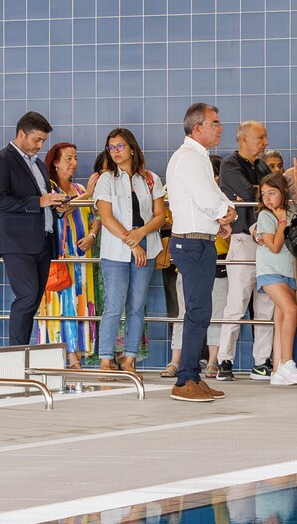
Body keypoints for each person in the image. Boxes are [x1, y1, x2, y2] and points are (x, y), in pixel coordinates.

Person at [164, 103, 233, 403]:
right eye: (214, 123)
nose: (220, 127)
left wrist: (221, 217)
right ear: (197, 127)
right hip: (191, 244)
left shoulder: (199, 157)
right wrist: (224, 213)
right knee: (196, 311)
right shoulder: (188, 158)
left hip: (200, 241)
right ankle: (184, 380)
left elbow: (215, 194)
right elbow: (208, 199)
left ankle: (192, 375)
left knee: (201, 312)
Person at [0, 111, 58, 349]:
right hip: (16, 242)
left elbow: (43, 201)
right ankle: (15, 352)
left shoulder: (39, 165)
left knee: (34, 299)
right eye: (37, 139)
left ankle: (22, 350)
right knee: (27, 295)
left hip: (43, 240)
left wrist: (57, 206)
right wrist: (39, 202)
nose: (40, 145)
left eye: (43, 141)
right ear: (21, 134)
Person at [90, 128, 160, 373]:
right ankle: (106, 360)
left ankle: (129, 358)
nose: (115, 151)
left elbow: (160, 216)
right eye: (111, 148)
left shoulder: (150, 178)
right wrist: (132, 242)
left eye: (120, 146)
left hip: (146, 247)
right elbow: (106, 217)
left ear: (131, 148)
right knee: (114, 305)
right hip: (116, 250)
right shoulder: (106, 179)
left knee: (137, 305)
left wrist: (141, 234)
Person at [215, 120, 272, 379]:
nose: (265, 143)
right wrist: (263, 193)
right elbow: (252, 193)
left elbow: (267, 193)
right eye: (260, 137)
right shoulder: (230, 164)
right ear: (244, 139)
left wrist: (260, 193)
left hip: (267, 242)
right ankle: (224, 361)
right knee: (236, 303)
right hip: (243, 240)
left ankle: (261, 361)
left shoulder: (261, 166)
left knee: (266, 304)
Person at [38, 141, 95, 358]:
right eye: (68, 159)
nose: (74, 163)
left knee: (80, 302)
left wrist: (92, 235)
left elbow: (96, 217)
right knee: (62, 304)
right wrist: (88, 195)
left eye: (75, 158)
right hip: (60, 257)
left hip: (82, 257)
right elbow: (62, 209)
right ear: (55, 162)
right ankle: (64, 355)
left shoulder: (80, 189)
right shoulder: (50, 190)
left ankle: (79, 352)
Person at [253, 175, 297, 386]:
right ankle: (287, 362)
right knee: (292, 310)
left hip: (288, 271)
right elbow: (274, 246)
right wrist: (282, 223)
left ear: (283, 192)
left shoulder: (292, 212)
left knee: (282, 318)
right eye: (264, 194)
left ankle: (277, 371)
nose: (267, 198)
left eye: (272, 193)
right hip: (270, 270)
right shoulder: (265, 215)